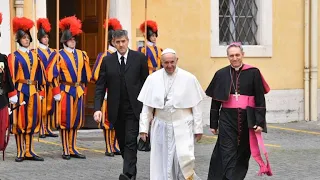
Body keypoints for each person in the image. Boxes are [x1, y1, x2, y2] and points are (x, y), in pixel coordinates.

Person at [205, 42, 272, 180]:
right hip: (227, 119)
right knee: (227, 151)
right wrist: (213, 123)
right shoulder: (221, 74)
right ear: (227, 57)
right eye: (231, 56)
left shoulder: (254, 72)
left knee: (243, 153)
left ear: (242, 55)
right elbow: (215, 101)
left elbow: (259, 99)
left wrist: (260, 122)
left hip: (247, 119)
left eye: (237, 55)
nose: (235, 58)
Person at [138, 48, 205, 180]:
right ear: (161, 62)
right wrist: (143, 128)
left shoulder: (189, 78)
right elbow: (147, 107)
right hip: (160, 126)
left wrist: (198, 128)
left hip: (183, 125)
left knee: (184, 161)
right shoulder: (152, 79)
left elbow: (196, 106)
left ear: (177, 60)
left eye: (172, 62)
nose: (169, 66)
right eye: (166, 63)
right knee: (160, 160)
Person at [93, 30, 149, 180]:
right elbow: (100, 86)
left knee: (131, 141)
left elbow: (146, 83)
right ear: (113, 43)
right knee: (123, 143)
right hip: (116, 110)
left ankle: (127, 174)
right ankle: (131, 174)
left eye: (123, 41)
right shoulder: (107, 61)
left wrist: (148, 108)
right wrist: (97, 108)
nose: (121, 45)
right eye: (117, 42)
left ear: (128, 41)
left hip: (134, 108)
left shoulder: (139, 58)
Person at [49, 16, 91, 160]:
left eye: (74, 39)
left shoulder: (82, 54)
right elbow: (53, 75)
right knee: (65, 121)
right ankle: (65, 149)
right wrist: (56, 92)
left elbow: (85, 75)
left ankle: (73, 147)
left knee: (76, 121)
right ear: (65, 40)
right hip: (65, 91)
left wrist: (84, 90)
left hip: (78, 90)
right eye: (71, 39)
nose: (73, 41)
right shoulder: (58, 55)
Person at [8, 17, 46, 162]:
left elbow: (40, 75)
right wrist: (12, 94)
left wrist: (41, 91)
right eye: (23, 38)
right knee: (20, 122)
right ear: (19, 40)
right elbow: (10, 77)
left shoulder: (35, 55)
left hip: (33, 91)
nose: (26, 40)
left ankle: (29, 150)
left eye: (28, 38)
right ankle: (20, 151)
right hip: (19, 90)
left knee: (32, 119)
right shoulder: (14, 56)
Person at [91, 18, 122, 157]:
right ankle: (108, 146)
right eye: (116, 40)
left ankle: (115, 144)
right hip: (108, 92)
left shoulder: (120, 56)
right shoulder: (103, 56)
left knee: (117, 119)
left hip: (119, 92)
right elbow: (97, 75)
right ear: (111, 41)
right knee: (108, 120)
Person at [36, 18, 59, 138]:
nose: (46, 39)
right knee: (41, 106)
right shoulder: (35, 52)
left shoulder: (53, 52)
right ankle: (41, 127)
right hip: (41, 83)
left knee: (50, 106)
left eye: (47, 37)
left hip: (51, 82)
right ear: (39, 38)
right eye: (44, 37)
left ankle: (48, 127)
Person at [0, 12, 18, 160]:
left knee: (2, 127)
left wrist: (12, 95)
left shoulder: (2, 58)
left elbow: (8, 78)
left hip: (1, 98)